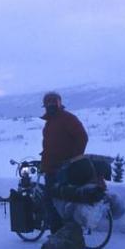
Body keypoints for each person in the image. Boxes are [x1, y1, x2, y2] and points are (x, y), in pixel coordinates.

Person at [39, 92, 88, 234]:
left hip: (62, 169)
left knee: (50, 201)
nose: (51, 106)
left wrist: (73, 160)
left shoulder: (67, 119)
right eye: (48, 104)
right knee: (57, 201)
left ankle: (57, 233)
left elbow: (82, 137)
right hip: (51, 167)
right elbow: (51, 146)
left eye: (53, 103)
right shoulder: (50, 123)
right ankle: (63, 230)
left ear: (59, 104)